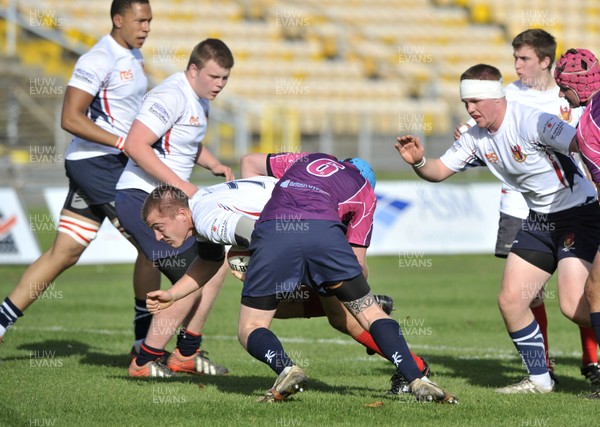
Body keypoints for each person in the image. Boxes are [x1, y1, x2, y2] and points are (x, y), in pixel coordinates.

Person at [145, 153, 458, 404]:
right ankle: (417, 376)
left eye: (158, 228)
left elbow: (251, 176)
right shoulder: (364, 193)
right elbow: (358, 266)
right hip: (322, 231)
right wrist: (175, 294)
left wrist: (260, 260)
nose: (159, 237)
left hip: (278, 230)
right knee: (360, 313)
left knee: (253, 326)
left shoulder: (306, 160)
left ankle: (287, 368)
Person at [396, 63, 600, 394]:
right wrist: (418, 161)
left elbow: (582, 144)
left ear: (496, 97)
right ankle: (540, 380)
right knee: (511, 301)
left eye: (475, 101)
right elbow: (438, 170)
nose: (470, 109)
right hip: (538, 220)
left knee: (574, 307)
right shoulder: (475, 137)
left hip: (579, 214)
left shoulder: (533, 120)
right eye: (465, 103)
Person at [0, 0, 159, 351]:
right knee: (155, 243)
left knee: (65, 252)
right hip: (99, 164)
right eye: (140, 20)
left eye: (150, 21)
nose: (147, 27)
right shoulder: (98, 58)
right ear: (118, 20)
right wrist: (123, 142)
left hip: (102, 164)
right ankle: (145, 344)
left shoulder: (133, 56)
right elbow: (70, 118)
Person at [453, 29, 598, 386]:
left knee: (581, 294)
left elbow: (580, 148)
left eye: (525, 59)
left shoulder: (575, 106)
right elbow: (490, 145)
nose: (517, 66)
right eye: (515, 58)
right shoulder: (506, 98)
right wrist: (470, 143)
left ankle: (591, 361)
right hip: (522, 207)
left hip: (575, 205)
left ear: (546, 63)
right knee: (522, 294)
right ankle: (541, 372)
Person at [115, 38, 235, 377]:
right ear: (193, 69)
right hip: (141, 201)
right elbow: (136, 145)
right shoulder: (170, 95)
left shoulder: (199, 98)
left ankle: (182, 351)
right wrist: (183, 186)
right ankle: (147, 360)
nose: (220, 85)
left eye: (225, 78)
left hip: (168, 204)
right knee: (192, 277)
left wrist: (213, 164)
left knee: (216, 259)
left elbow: (185, 142)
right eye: (214, 77)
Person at [554, 47, 600, 397]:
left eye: (564, 87)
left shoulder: (587, 128)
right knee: (575, 302)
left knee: (594, 294)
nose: (561, 94)